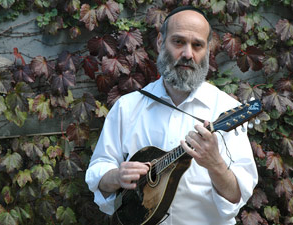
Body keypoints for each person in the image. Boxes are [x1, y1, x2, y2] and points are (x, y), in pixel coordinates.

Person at [85, 5, 258, 225]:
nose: (187, 54)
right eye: (178, 42)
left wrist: (215, 164)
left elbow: (236, 196)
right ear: (160, 42)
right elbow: (98, 170)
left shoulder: (225, 109)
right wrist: (116, 177)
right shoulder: (127, 107)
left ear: (208, 50)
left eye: (197, 45)